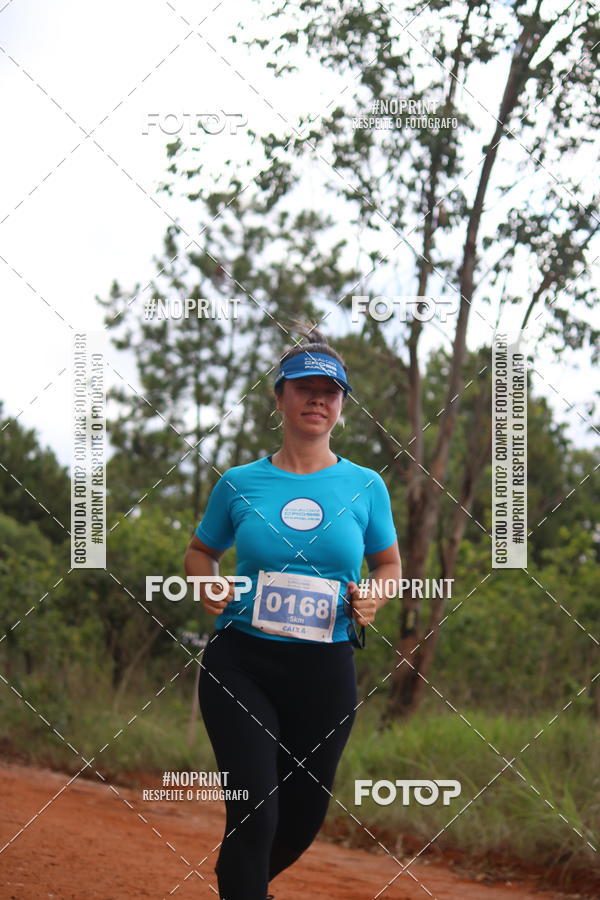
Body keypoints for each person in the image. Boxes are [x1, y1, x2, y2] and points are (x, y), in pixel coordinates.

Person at [184, 321, 401, 900]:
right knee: (255, 808)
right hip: (242, 663)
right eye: (305, 388)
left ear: (341, 407)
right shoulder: (238, 483)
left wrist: (374, 595)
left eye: (330, 393)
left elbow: (389, 565)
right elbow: (201, 552)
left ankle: (241, 880)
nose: (318, 400)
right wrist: (206, 585)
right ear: (279, 396)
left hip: (325, 669)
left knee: (301, 820)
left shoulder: (365, 486)